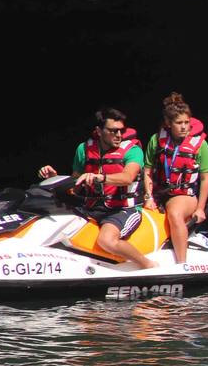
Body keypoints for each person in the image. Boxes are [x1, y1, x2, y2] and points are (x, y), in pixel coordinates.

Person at [38, 108, 156, 269]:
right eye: (113, 131)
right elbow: (75, 184)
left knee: (106, 240)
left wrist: (101, 178)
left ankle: (149, 265)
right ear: (99, 131)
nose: (119, 135)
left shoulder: (133, 151)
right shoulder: (84, 149)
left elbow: (127, 177)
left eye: (121, 131)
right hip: (92, 208)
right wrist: (55, 178)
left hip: (124, 209)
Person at [143, 91, 208, 264]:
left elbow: (205, 179)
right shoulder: (156, 140)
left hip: (184, 195)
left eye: (186, 122)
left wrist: (200, 209)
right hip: (158, 193)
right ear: (168, 123)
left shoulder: (200, 145)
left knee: (174, 213)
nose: (184, 127)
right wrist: (148, 197)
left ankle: (182, 263)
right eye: (179, 123)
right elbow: (148, 171)